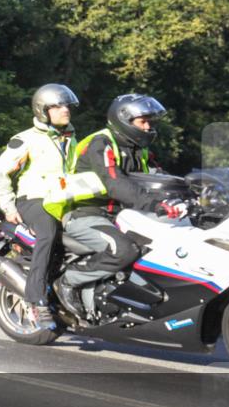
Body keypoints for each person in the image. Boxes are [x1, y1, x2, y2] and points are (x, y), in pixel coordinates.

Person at [52, 94, 185, 317]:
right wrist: (154, 205)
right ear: (124, 119)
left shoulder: (138, 148)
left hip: (121, 215)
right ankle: (68, 280)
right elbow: (115, 183)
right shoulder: (101, 143)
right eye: (143, 121)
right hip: (86, 214)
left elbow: (161, 177)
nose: (148, 127)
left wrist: (191, 193)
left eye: (150, 122)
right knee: (123, 249)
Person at [0, 83, 80, 329]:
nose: (65, 110)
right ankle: (36, 299)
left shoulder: (70, 138)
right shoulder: (26, 140)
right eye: (58, 106)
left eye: (67, 105)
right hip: (34, 200)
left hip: (63, 203)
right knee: (48, 234)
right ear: (43, 110)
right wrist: (8, 206)